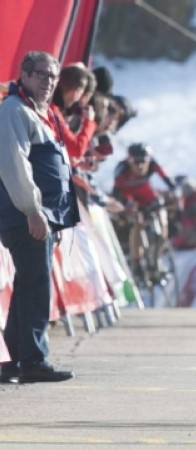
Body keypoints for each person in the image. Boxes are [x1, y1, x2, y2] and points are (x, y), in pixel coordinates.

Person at [0, 51, 79, 384]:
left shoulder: (41, 113)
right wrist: (32, 210)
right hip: (25, 215)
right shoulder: (14, 110)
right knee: (35, 287)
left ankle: (12, 360)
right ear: (26, 75)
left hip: (42, 216)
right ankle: (33, 360)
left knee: (28, 284)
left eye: (53, 77)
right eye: (42, 75)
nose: (48, 82)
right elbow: (14, 164)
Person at [112, 143, 176, 274]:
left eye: (143, 161)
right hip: (129, 198)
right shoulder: (121, 169)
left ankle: (158, 254)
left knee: (161, 212)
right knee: (137, 223)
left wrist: (174, 194)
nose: (140, 166)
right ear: (129, 161)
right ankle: (137, 263)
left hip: (147, 195)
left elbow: (168, 181)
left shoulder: (153, 165)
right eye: (136, 162)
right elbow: (117, 193)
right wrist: (127, 207)